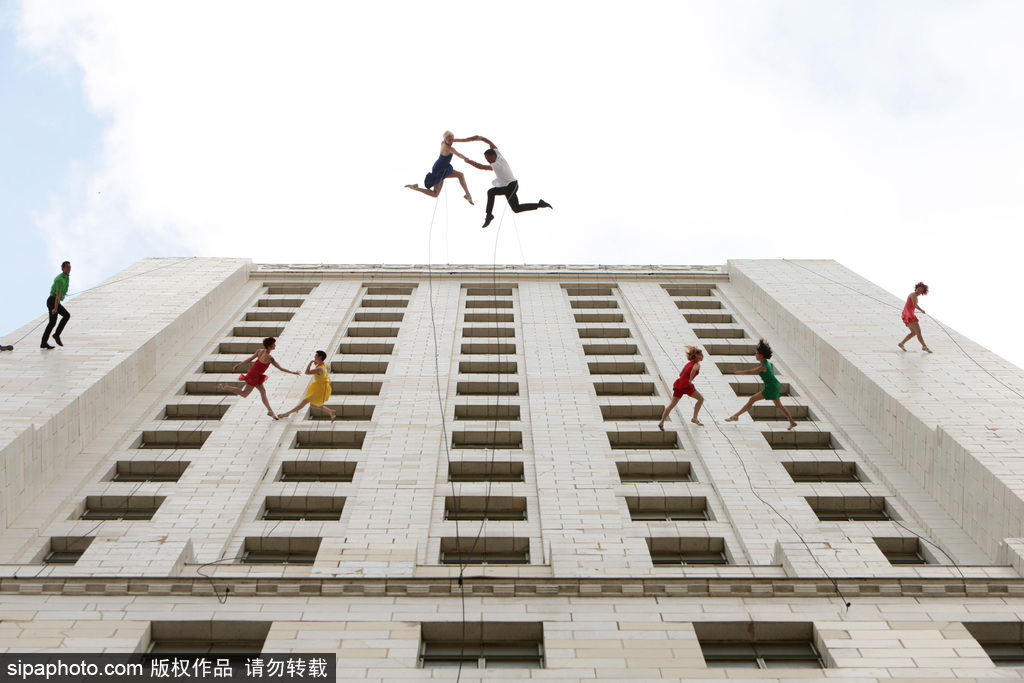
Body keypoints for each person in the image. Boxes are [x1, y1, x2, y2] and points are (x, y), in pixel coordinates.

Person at [462, 135, 552, 228]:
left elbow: (482, 167)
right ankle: (489, 215)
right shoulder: (498, 154)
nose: (488, 161)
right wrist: (481, 138)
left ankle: (540, 204)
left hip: (511, 186)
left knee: (516, 208)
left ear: (493, 156)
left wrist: (469, 161)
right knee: (491, 192)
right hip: (505, 187)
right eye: (486, 160)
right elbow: (490, 143)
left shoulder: (497, 164)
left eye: (488, 159)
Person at [217, 337, 299, 420]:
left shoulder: (260, 351)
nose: (275, 345)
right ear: (270, 345)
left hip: (254, 373)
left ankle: (270, 411)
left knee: (263, 391)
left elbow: (250, 359)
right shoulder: (269, 358)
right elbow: (280, 368)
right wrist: (293, 372)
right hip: (254, 376)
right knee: (244, 394)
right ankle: (226, 387)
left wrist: (239, 364)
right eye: (274, 344)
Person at [725, 339, 797, 430]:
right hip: (774, 385)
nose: (755, 355)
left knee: (752, 399)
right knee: (779, 405)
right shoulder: (765, 363)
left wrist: (736, 372)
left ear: (761, 355)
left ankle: (736, 416)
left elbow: (750, 372)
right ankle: (791, 421)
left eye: (756, 353)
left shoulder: (763, 366)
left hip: (771, 387)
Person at [405, 131, 475, 204]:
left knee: (460, 175)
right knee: (435, 194)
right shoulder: (450, 149)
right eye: (449, 140)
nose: (451, 142)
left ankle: (467, 195)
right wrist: (465, 158)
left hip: (441, 166)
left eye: (452, 139)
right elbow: (459, 154)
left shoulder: (443, 142)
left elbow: (461, 140)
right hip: (440, 169)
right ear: (445, 139)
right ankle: (416, 188)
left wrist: (474, 139)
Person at [280, 350, 336, 420]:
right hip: (319, 386)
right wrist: (316, 363)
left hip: (319, 389)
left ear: (320, 357)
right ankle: (330, 411)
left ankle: (288, 413)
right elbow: (327, 367)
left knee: (305, 401)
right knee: (313, 404)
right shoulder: (322, 364)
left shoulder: (319, 369)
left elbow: (307, 372)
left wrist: (310, 363)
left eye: (316, 355)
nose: (314, 356)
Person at [659, 346, 705, 429]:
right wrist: (690, 380)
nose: (702, 356)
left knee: (672, 404)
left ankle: (662, 421)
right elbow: (694, 370)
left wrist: (686, 377)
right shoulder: (697, 364)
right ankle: (694, 418)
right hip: (686, 385)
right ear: (696, 356)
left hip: (679, 383)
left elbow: (680, 374)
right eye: (701, 355)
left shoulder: (688, 363)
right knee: (701, 399)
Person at [41, 261, 72, 349]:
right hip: (52, 301)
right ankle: (56, 335)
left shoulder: (66, 277)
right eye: (67, 267)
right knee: (65, 316)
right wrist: (55, 308)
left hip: (55, 300)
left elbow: (62, 291)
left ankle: (44, 342)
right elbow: (57, 294)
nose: (69, 269)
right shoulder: (60, 279)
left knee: (52, 323)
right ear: (62, 268)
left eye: (70, 267)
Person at [899, 282, 931, 353]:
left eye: (920, 290)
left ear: (922, 292)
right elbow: (915, 304)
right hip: (909, 315)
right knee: (918, 331)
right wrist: (921, 310)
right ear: (916, 288)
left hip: (908, 314)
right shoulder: (913, 295)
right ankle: (924, 346)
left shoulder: (915, 296)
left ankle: (902, 343)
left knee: (914, 332)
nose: (919, 291)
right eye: (918, 289)